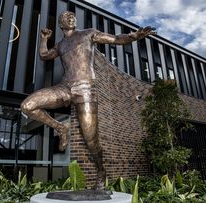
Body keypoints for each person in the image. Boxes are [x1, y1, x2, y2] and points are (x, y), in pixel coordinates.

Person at [21, 11, 156, 190]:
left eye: (73, 16)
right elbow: (44, 56)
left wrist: (134, 36)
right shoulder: (61, 45)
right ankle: (61, 128)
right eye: (66, 17)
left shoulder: (88, 33)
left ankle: (101, 171)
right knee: (27, 106)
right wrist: (44, 38)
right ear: (61, 24)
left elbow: (116, 39)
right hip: (65, 88)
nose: (71, 18)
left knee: (90, 140)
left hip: (85, 89)